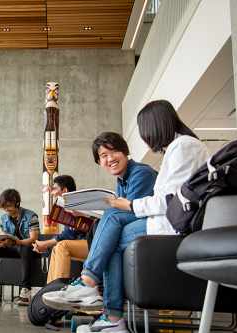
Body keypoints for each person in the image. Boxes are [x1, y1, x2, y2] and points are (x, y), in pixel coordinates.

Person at [43, 100, 212, 333]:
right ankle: (104, 309)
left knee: (111, 221)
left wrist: (128, 204)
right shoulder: (180, 147)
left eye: (145, 131)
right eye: (104, 155)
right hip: (167, 222)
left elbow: (170, 201)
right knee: (111, 225)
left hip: (174, 225)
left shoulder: (181, 148)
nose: (145, 139)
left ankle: (95, 293)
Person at [33, 175, 89, 283]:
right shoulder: (66, 206)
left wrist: (44, 244)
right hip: (82, 243)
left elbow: (68, 235)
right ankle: (49, 289)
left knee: (62, 246)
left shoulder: (76, 205)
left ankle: (59, 288)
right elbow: (68, 234)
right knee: (56, 248)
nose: (52, 193)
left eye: (54, 189)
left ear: (65, 190)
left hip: (92, 243)